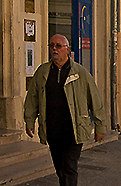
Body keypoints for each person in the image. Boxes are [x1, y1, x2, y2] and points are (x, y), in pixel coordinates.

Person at [23, 35, 107, 186]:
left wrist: (100, 125)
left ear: (67, 49)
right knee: (60, 167)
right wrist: (30, 120)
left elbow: (95, 99)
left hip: (74, 129)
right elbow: (32, 98)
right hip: (52, 129)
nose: (54, 49)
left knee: (69, 166)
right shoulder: (43, 72)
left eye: (58, 46)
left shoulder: (80, 73)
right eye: (51, 46)